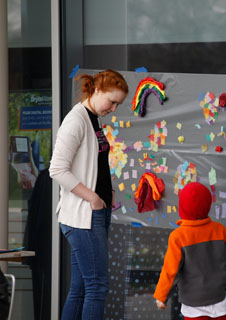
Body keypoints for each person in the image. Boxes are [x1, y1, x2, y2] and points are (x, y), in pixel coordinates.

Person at [49, 69, 128, 320]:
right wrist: (92, 197)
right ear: (96, 90)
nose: (113, 109)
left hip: (93, 214)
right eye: (112, 101)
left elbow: (90, 165)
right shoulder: (76, 120)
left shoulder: (92, 118)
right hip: (83, 216)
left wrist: (105, 190)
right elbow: (57, 169)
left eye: (118, 104)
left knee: (82, 287)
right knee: (97, 286)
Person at [153, 182, 226, 320]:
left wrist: (161, 296)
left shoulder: (178, 236)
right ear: (208, 205)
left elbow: (170, 270)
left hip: (193, 305)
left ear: (182, 207)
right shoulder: (219, 230)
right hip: (218, 300)